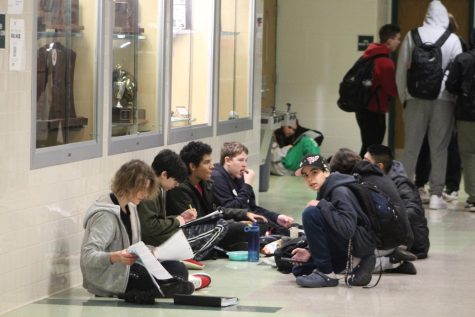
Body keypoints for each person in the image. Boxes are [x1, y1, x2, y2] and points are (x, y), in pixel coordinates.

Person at [80, 160, 194, 304]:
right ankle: (145, 291)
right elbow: (87, 256)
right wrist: (115, 256)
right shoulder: (105, 215)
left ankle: (154, 289)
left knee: (179, 269)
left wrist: (150, 251)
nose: (145, 195)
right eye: (143, 189)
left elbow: (133, 245)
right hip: (111, 275)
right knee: (177, 282)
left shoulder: (131, 207)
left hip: (127, 267)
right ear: (128, 185)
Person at [396, 0, 463, 210]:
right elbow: (458, 73)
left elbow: (401, 70)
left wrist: (404, 98)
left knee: (411, 148)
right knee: (439, 148)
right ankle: (436, 195)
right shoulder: (452, 38)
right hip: (444, 100)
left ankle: (403, 191)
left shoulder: (412, 35)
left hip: (415, 98)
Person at [290, 154, 376, 288]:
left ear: (326, 172)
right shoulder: (325, 189)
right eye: (305, 175)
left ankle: (327, 274)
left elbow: (347, 230)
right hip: (346, 245)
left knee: (310, 213)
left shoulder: (340, 191)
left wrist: (322, 205)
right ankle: (351, 266)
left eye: (314, 172)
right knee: (299, 270)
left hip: (355, 247)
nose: (310, 179)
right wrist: (309, 250)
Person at [166, 141, 268, 251]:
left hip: (212, 227)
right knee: (241, 228)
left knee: (258, 223)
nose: (212, 166)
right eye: (207, 163)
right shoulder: (180, 189)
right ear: (192, 166)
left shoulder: (205, 183)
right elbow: (194, 222)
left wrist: (244, 213)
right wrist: (232, 223)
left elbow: (214, 211)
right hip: (192, 234)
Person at [329, 148, 417, 274]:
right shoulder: (376, 174)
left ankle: (390, 262)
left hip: (386, 243)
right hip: (403, 239)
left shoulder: (354, 184)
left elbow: (349, 225)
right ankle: (392, 258)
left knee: (338, 265)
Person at [138, 149, 226, 275]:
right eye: (175, 181)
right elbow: (149, 227)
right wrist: (177, 221)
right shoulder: (151, 192)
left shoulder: (159, 189)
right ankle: (188, 255)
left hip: (165, 236)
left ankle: (188, 254)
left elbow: (157, 221)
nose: (177, 185)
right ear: (164, 175)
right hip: (160, 242)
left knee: (219, 225)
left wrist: (180, 217)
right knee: (221, 226)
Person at [414, 12, 466, 204]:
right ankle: (449, 187)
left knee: (427, 145)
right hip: (449, 101)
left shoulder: (426, 42)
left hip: (425, 98)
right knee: (448, 146)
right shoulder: (458, 43)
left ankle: (421, 183)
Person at [211, 141, 294, 234]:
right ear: (228, 160)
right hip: (229, 223)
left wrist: (276, 217)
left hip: (246, 218)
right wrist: (247, 185)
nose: (244, 164)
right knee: (262, 226)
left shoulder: (238, 175)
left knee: (291, 226)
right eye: (240, 160)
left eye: (246, 160)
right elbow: (231, 210)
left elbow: (253, 208)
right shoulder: (217, 177)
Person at [365, 144, 430, 260]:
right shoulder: (370, 179)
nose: (361, 164)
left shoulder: (402, 184)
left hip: (414, 244)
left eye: (366, 161)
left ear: (379, 166)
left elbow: (412, 212)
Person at [355, 24, 401, 158]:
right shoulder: (385, 62)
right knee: (373, 147)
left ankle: (361, 174)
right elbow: (391, 90)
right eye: (397, 38)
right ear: (389, 40)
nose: (399, 42)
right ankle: (361, 174)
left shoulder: (368, 55)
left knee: (367, 144)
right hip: (375, 110)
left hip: (362, 107)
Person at [446, 30, 475, 212]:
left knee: (469, 154)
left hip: (467, 114)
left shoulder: (463, 59)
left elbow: (451, 85)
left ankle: (473, 197)